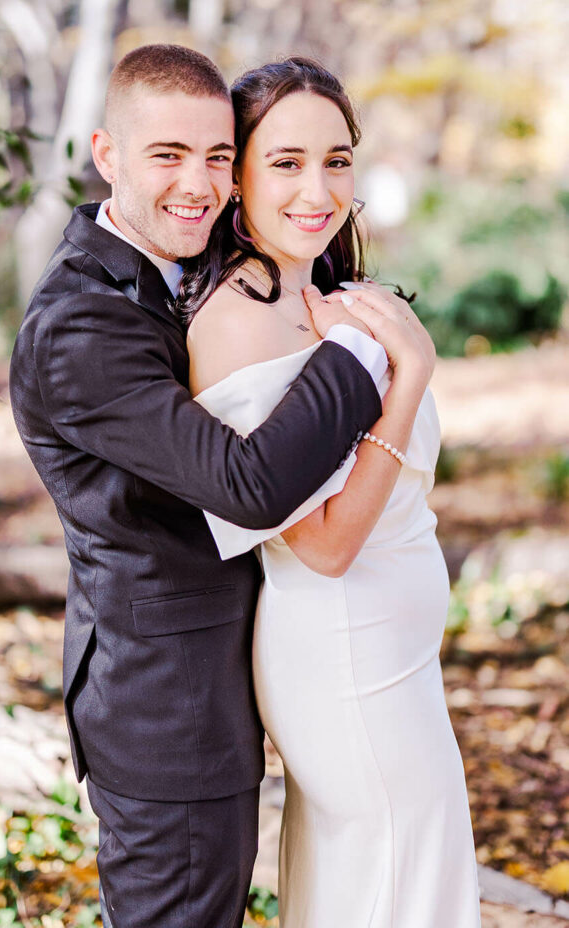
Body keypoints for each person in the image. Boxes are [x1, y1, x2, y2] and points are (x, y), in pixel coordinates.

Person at [8, 44, 390, 928]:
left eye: (218, 156)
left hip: (241, 685)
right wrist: (364, 352)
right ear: (106, 154)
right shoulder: (79, 326)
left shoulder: (184, 272)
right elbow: (246, 485)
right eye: (167, 155)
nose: (200, 182)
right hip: (166, 712)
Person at [185, 57, 481, 928]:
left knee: (376, 886)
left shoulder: (327, 296)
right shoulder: (236, 319)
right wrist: (410, 375)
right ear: (234, 175)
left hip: (392, 655)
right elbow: (320, 541)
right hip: (343, 651)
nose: (319, 188)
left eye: (337, 159)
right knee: (402, 884)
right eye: (284, 162)